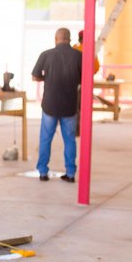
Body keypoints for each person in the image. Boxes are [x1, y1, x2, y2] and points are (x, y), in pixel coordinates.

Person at [32, 27, 82, 183]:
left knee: (45, 139)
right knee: (70, 140)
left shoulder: (46, 54)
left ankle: (43, 172)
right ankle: (71, 173)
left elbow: (34, 76)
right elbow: (83, 79)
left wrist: (46, 78)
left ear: (56, 39)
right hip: (69, 105)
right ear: (70, 39)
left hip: (50, 105)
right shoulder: (79, 56)